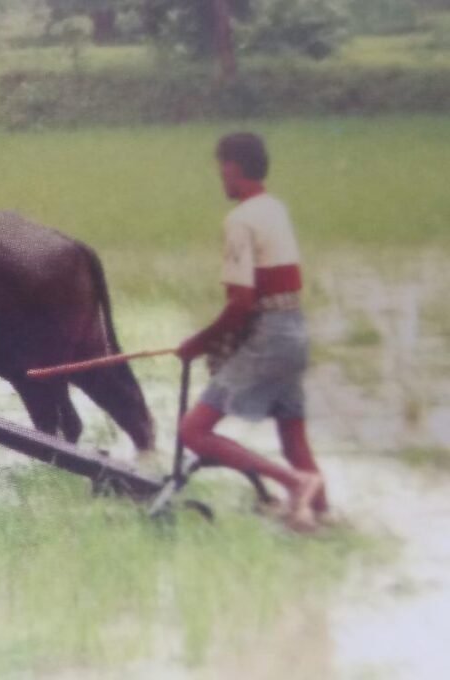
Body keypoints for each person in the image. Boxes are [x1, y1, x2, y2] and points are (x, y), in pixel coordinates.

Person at [176, 132, 327, 532]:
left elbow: (242, 302)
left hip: (271, 337)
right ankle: (324, 518)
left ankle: (294, 484)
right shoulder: (274, 208)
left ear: (232, 167)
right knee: (294, 438)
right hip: (295, 332)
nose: (220, 176)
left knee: (193, 430)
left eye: (220, 168)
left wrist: (199, 342)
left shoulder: (240, 219)